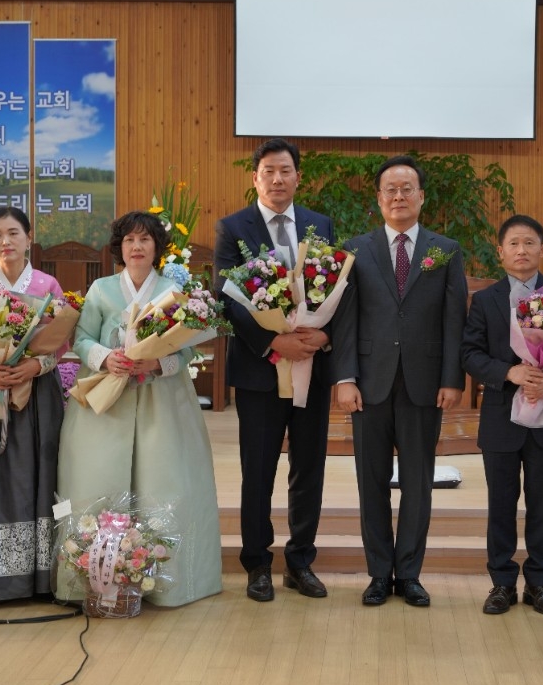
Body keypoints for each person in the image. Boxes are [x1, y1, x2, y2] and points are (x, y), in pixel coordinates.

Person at [55, 210, 222, 607]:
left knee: (164, 481)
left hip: (161, 400)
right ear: (120, 247)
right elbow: (81, 339)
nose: (137, 246)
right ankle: (93, 577)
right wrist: (104, 357)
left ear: (157, 247)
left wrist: (158, 362)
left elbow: (188, 349)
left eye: (145, 239)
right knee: (97, 480)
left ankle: (165, 582)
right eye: (129, 240)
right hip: (106, 399)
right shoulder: (100, 289)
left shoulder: (174, 292)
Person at [333, 155, 468, 607]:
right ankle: (378, 574)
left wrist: (452, 378)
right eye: (390, 189)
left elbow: (454, 319)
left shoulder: (445, 249)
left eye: (407, 188)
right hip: (369, 383)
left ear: (421, 196)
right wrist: (345, 378)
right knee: (370, 482)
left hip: (424, 383)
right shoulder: (356, 249)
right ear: (378, 198)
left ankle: (409, 574)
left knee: (418, 482)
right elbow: (345, 320)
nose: (398, 196)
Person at [215, 138, 335, 602]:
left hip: (310, 367)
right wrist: (272, 341)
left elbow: (334, 285)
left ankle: (300, 562)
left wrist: (323, 335)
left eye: (286, 170)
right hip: (259, 372)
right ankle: (257, 564)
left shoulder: (319, 225)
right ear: (256, 178)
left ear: (298, 177)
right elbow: (227, 296)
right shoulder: (233, 228)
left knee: (308, 469)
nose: (278, 179)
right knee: (259, 469)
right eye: (269, 171)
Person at [460, 215, 543, 617]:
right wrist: (509, 373)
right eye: (514, 243)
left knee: (542, 503)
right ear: (500, 252)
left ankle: (539, 584)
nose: (522, 250)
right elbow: (470, 353)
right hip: (502, 416)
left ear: (542, 249)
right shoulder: (486, 300)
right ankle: (502, 582)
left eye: (530, 243)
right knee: (501, 504)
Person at [0, 206, 66, 601]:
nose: (6, 241)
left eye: (14, 233)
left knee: (38, 474)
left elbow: (62, 343)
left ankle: (40, 577)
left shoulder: (48, 285)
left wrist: (36, 364)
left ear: (28, 237)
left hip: (36, 395)